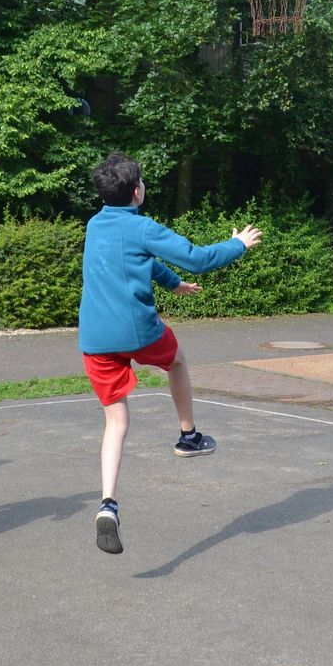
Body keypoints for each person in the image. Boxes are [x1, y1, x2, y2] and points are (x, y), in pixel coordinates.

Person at [78, 152, 261, 554]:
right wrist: (238, 244)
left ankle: (108, 503)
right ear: (138, 191)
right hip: (137, 332)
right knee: (177, 360)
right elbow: (198, 258)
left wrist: (172, 284)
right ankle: (188, 436)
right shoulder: (142, 226)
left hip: (94, 339)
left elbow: (134, 264)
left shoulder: (95, 226)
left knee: (117, 422)